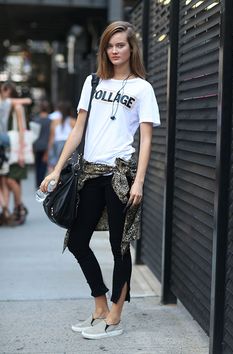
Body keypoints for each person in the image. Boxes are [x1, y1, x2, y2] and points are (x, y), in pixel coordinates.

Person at [40, 21, 160, 339]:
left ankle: (115, 318)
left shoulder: (141, 88)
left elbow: (146, 140)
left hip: (121, 176)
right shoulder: (94, 82)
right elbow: (78, 130)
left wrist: (140, 181)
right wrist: (56, 168)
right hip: (90, 173)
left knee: (119, 247)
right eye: (110, 45)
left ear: (132, 48)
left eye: (121, 44)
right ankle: (99, 306)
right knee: (78, 240)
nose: (115, 50)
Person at [0, 83, 31, 225]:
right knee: (11, 180)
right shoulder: (6, 108)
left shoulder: (16, 108)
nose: (3, 94)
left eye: (5, 91)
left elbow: (22, 129)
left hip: (17, 148)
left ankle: (19, 208)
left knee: (11, 180)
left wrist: (21, 152)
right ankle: (17, 208)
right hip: (8, 149)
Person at [47, 101, 75, 171]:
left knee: (56, 165)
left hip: (57, 144)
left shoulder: (55, 121)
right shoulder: (73, 121)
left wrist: (49, 150)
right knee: (68, 165)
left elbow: (52, 137)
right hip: (68, 143)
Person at [32, 100, 51, 188]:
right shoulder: (50, 120)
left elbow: (33, 134)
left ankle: (37, 183)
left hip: (37, 145)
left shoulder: (36, 120)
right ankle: (41, 183)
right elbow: (50, 135)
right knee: (43, 166)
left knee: (37, 165)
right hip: (46, 145)